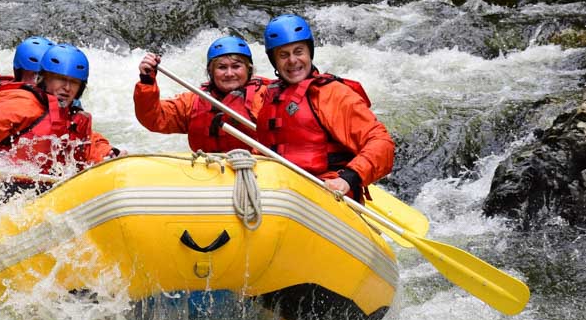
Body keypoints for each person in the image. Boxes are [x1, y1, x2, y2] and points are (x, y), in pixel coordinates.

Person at [257, 14, 394, 201]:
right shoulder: (270, 94)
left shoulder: (332, 94)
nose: (292, 60)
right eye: (283, 55)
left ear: (309, 53)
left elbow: (381, 142)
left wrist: (348, 178)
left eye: (298, 51)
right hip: (281, 190)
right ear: (274, 60)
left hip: (326, 193)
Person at [0, 43, 119, 181]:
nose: (67, 87)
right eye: (60, 79)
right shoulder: (22, 104)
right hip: (3, 183)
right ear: (44, 79)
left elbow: (89, 146)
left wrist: (108, 154)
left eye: (73, 82)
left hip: (42, 187)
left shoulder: (75, 116)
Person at [133, 35, 270, 152]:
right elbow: (154, 118)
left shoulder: (267, 96)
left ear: (248, 69)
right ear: (211, 72)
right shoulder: (193, 101)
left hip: (254, 167)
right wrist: (147, 81)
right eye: (222, 67)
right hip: (207, 168)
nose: (229, 73)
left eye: (236, 66)